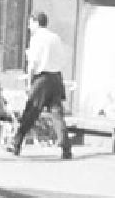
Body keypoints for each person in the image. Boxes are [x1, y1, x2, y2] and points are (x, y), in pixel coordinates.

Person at [14, 11, 72, 160]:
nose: (28, 26)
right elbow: (62, 58)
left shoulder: (37, 38)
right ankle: (66, 147)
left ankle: (16, 143)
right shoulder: (55, 37)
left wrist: (29, 82)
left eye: (30, 23)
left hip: (42, 78)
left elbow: (33, 63)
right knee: (57, 113)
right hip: (56, 77)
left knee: (31, 112)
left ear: (35, 22)